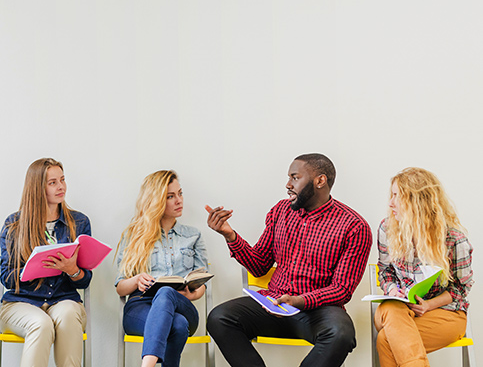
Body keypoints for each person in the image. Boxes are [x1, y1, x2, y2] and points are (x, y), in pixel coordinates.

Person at [206, 153, 372, 367]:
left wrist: (300, 300)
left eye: (295, 177)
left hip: (318, 311)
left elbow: (342, 289)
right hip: (273, 305)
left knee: (341, 333)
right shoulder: (281, 211)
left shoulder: (354, 226)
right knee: (219, 318)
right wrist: (230, 235)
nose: (288, 184)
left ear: (320, 181)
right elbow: (259, 265)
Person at [374, 167, 473, 367]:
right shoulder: (387, 229)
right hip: (397, 309)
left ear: (418, 202)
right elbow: (386, 271)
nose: (391, 203)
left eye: (397, 196)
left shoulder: (454, 239)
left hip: (445, 313)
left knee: (386, 340)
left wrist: (428, 305)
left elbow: (460, 290)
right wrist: (393, 290)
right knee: (391, 307)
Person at [0, 158, 91, 367]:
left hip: (64, 300)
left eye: (63, 180)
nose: (61, 187)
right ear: (37, 188)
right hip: (21, 303)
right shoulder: (14, 224)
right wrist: (35, 268)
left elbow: (85, 281)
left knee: (68, 315)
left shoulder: (79, 222)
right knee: (41, 324)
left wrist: (72, 270)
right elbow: (6, 277)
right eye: (53, 182)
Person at [115, 170, 208, 367]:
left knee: (166, 292)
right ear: (155, 200)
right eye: (170, 196)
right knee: (178, 326)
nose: (179, 200)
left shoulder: (194, 235)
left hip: (182, 304)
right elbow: (120, 288)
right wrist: (136, 279)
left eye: (180, 194)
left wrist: (191, 294)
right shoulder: (134, 235)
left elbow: (203, 282)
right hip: (140, 306)